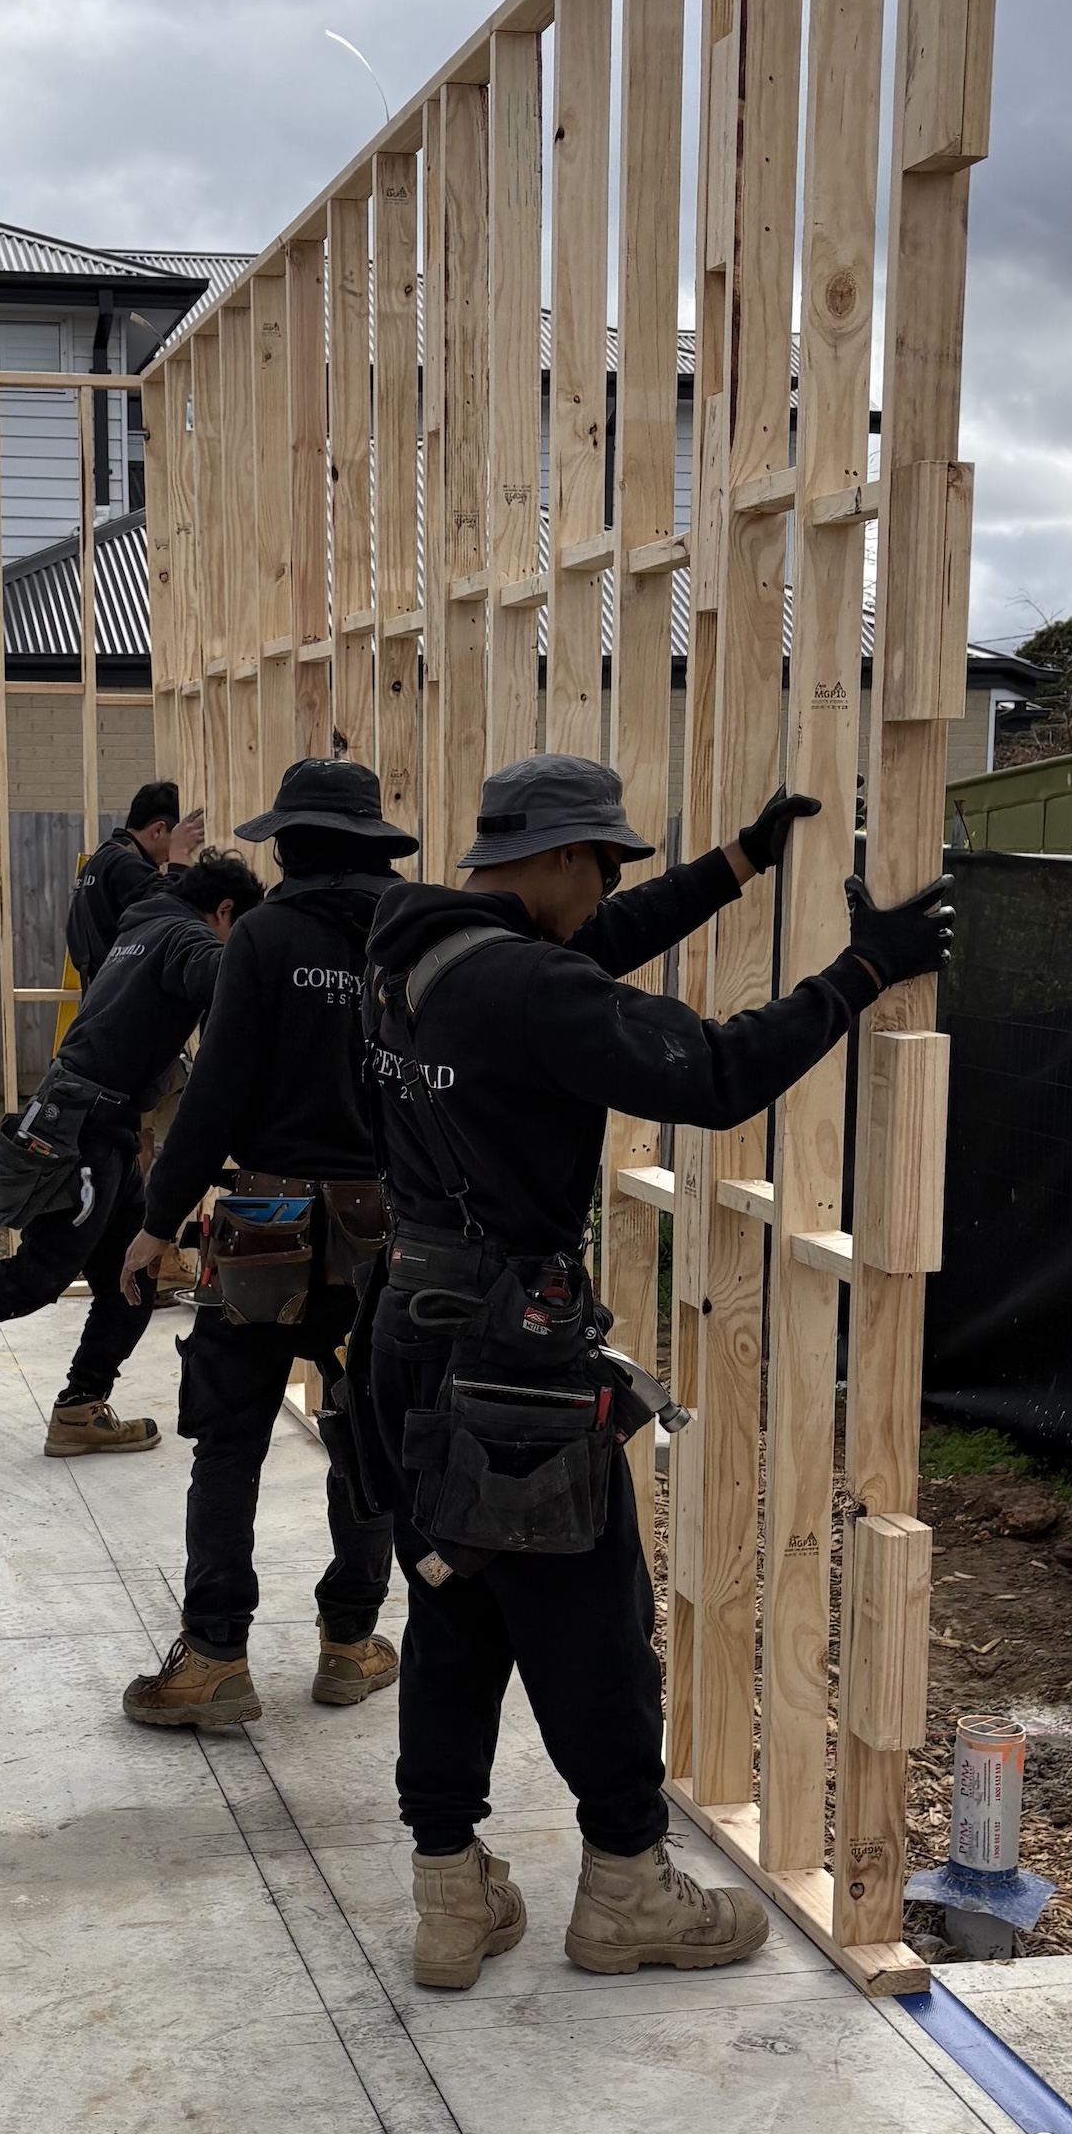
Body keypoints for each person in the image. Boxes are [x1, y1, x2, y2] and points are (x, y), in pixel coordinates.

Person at [362, 750, 951, 1989]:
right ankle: (627, 1887)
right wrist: (861, 972)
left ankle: (449, 1902)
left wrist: (733, 865)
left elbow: (587, 950)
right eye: (605, 867)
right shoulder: (527, 986)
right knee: (592, 1627)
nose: (607, 891)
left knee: (456, 1608)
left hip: (411, 1335)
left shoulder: (412, 955)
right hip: (509, 1367)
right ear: (563, 859)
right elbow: (717, 1074)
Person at [111, 755, 419, 1735]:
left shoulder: (267, 934)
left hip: (265, 1220)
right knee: (367, 1430)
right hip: (384, 1230)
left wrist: (156, 1223)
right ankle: (347, 1642)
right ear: (374, 844)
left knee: (232, 1435)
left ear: (287, 841)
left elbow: (215, 1095)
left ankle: (213, 1657)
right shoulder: (422, 933)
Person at [0, 846, 266, 1456]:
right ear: (223, 912)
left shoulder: (144, 926)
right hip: (85, 1128)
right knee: (40, 1276)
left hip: (101, 1122)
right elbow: (225, 976)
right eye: (239, 929)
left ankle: (81, 1409)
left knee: (135, 1273)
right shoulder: (182, 938)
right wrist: (278, 960)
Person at [65, 782, 206, 988]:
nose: (166, 860)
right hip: (120, 991)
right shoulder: (125, 865)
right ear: (158, 830)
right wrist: (179, 857)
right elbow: (174, 912)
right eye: (173, 839)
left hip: (100, 989)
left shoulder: (100, 860)